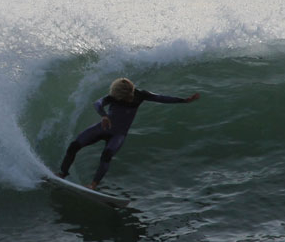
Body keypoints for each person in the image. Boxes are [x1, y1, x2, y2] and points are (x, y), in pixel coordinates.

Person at [59, 77, 200, 190]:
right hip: (102, 128)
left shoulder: (141, 95)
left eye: (120, 98)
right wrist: (103, 115)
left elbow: (161, 98)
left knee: (106, 155)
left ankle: (93, 185)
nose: (118, 99)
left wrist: (184, 100)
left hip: (118, 135)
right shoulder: (114, 96)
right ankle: (62, 173)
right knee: (74, 146)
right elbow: (98, 103)